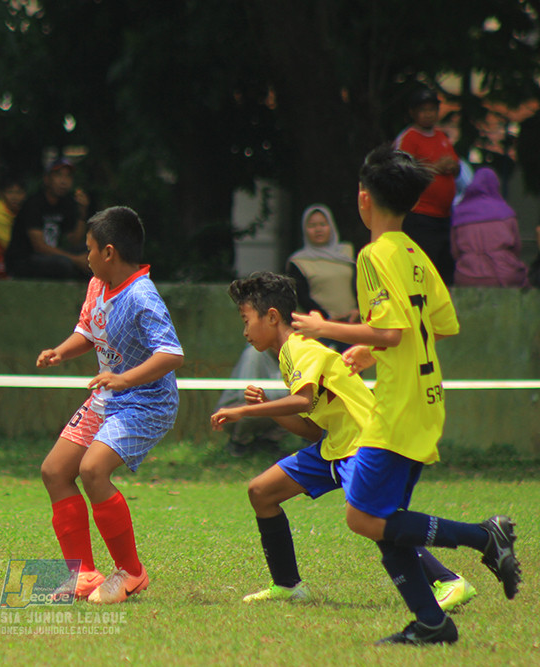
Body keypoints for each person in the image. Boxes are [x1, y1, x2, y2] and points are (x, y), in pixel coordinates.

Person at [292, 145, 521, 645]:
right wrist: (370, 354)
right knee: (384, 521)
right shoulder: (415, 254)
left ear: (363, 199)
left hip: (397, 407)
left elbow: (392, 332)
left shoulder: (374, 255)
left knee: (363, 517)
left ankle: (484, 537)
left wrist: (323, 325)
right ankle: (432, 622)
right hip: (425, 398)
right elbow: (436, 326)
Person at [210, 272, 476, 612]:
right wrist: (265, 409)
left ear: (272, 316)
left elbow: (303, 402)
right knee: (261, 492)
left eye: (247, 320)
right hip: (334, 446)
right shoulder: (287, 358)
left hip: (361, 443)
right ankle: (288, 586)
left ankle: (450, 581)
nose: (245, 331)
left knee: (372, 518)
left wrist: (243, 412)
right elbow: (310, 428)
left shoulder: (300, 347)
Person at [37, 206, 184, 604]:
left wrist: (123, 379)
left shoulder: (142, 295)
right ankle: (82, 576)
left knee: (93, 470)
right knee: (54, 471)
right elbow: (87, 330)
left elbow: (171, 354)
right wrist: (61, 353)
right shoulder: (98, 284)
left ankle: (132, 573)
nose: (85, 256)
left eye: (88, 249)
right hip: (109, 398)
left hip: (147, 401)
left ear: (109, 252)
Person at [394, 87, 460, 285]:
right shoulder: (409, 137)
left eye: (432, 109)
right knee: (423, 268)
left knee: (444, 269)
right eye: (423, 110)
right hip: (421, 215)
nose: (429, 114)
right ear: (413, 113)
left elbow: (457, 168)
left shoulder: (442, 136)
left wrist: (453, 166)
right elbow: (402, 171)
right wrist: (434, 167)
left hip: (444, 216)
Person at [285, 204, 360, 352]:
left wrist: (358, 309)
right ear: (305, 230)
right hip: (319, 330)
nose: (318, 229)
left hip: (351, 327)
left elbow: (359, 285)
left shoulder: (347, 254)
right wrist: (326, 318)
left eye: (322, 224)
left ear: (331, 226)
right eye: (312, 226)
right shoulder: (299, 262)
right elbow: (301, 296)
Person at [4, 158, 91, 280]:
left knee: (92, 253)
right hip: (26, 259)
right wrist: (76, 260)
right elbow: (39, 246)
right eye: (58, 175)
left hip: (51, 255)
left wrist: (82, 213)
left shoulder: (67, 203)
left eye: (68, 177)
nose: (63, 181)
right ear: (47, 179)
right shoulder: (34, 204)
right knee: (64, 265)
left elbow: (73, 240)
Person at [450, 167, 528, 287]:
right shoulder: (506, 212)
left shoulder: (460, 213)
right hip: (504, 275)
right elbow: (517, 248)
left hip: (467, 275)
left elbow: (455, 252)